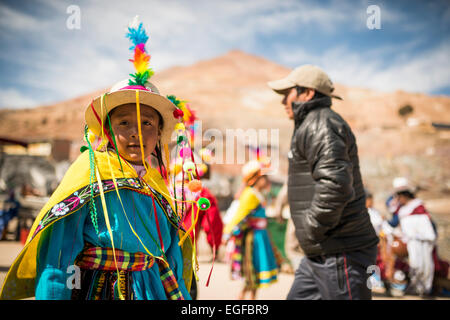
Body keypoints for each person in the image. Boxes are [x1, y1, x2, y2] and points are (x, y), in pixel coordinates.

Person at [0, 18, 193, 300]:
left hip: (152, 290)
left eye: (147, 123)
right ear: (107, 130)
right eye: (124, 122)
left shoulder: (155, 184)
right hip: (99, 289)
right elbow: (59, 255)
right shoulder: (89, 174)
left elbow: (172, 253)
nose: (135, 133)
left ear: (160, 132)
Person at [268, 65, 379, 300]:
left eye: (287, 93)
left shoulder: (321, 124)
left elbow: (335, 184)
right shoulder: (312, 123)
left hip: (340, 251)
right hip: (322, 250)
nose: (282, 102)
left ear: (306, 93)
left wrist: (311, 229)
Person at [223, 160, 279, 300]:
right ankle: (241, 298)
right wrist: (227, 234)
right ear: (256, 179)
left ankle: (252, 298)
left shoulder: (257, 193)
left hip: (261, 237)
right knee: (251, 270)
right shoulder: (250, 195)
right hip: (252, 239)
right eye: (264, 177)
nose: (266, 180)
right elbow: (239, 216)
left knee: (257, 269)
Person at [387, 177, 436, 296]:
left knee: (426, 265)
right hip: (411, 242)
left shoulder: (418, 206)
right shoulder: (401, 209)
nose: (399, 199)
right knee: (415, 264)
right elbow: (395, 222)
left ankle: (424, 288)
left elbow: (430, 226)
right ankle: (415, 287)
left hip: (424, 240)